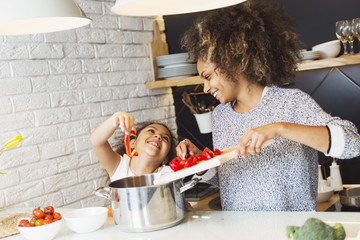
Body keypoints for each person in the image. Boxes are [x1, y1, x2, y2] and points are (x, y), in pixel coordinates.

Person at [177, 0, 360, 211]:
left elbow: (353, 144)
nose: (205, 87)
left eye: (208, 76)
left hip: (291, 231)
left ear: (232, 62)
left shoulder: (291, 102)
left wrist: (278, 128)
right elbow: (230, 181)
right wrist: (201, 160)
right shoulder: (220, 115)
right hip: (240, 230)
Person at [91, 111, 177, 182]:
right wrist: (116, 117)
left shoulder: (168, 174)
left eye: (166, 138)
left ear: (165, 159)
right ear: (132, 143)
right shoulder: (120, 167)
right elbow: (97, 141)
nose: (158, 136)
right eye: (151, 131)